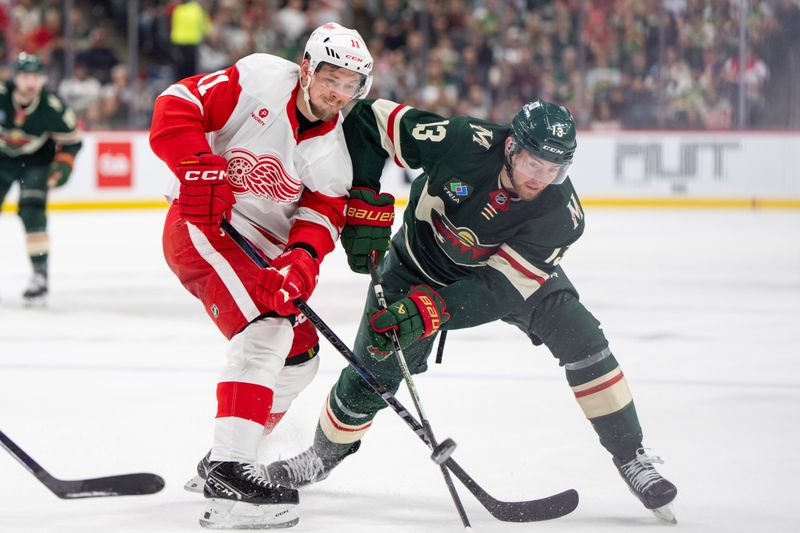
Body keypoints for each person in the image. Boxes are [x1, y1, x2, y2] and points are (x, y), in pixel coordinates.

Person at [264, 98, 679, 523]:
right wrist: (365, 196)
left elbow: (500, 289)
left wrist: (433, 311)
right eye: (535, 163)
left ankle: (631, 456)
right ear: (512, 147)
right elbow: (372, 120)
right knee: (374, 371)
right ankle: (319, 456)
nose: (542, 177)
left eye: (555, 169)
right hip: (414, 267)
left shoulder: (561, 216)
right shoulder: (463, 141)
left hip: (500, 278)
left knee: (584, 339)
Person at [148, 22, 374, 530]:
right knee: (268, 328)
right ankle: (231, 473)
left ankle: (224, 456)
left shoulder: (333, 157)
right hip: (200, 222)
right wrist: (197, 164)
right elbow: (176, 102)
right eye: (331, 77)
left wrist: (299, 263)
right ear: (307, 68)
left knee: (300, 358)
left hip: (259, 253)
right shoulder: (258, 80)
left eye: (350, 85)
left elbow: (320, 219)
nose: (337, 93)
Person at [0, 52, 82, 303]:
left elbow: (72, 142)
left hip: (35, 163)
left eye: (35, 76)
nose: (30, 82)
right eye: (25, 76)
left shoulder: (52, 107)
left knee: (33, 212)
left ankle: (39, 275)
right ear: (16, 77)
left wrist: (63, 166)